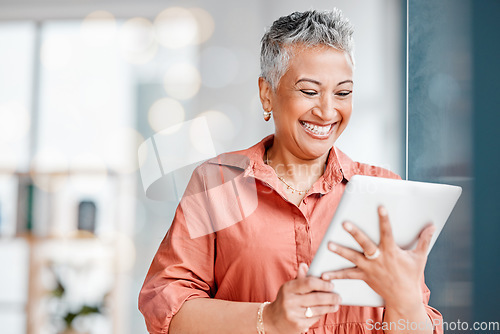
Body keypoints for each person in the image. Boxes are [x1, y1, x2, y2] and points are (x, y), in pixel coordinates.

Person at [139, 9, 443, 334]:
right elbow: (166, 311)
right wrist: (268, 319)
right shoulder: (217, 183)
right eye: (309, 91)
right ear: (267, 93)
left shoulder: (384, 190)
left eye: (342, 93)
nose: (327, 111)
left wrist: (405, 298)